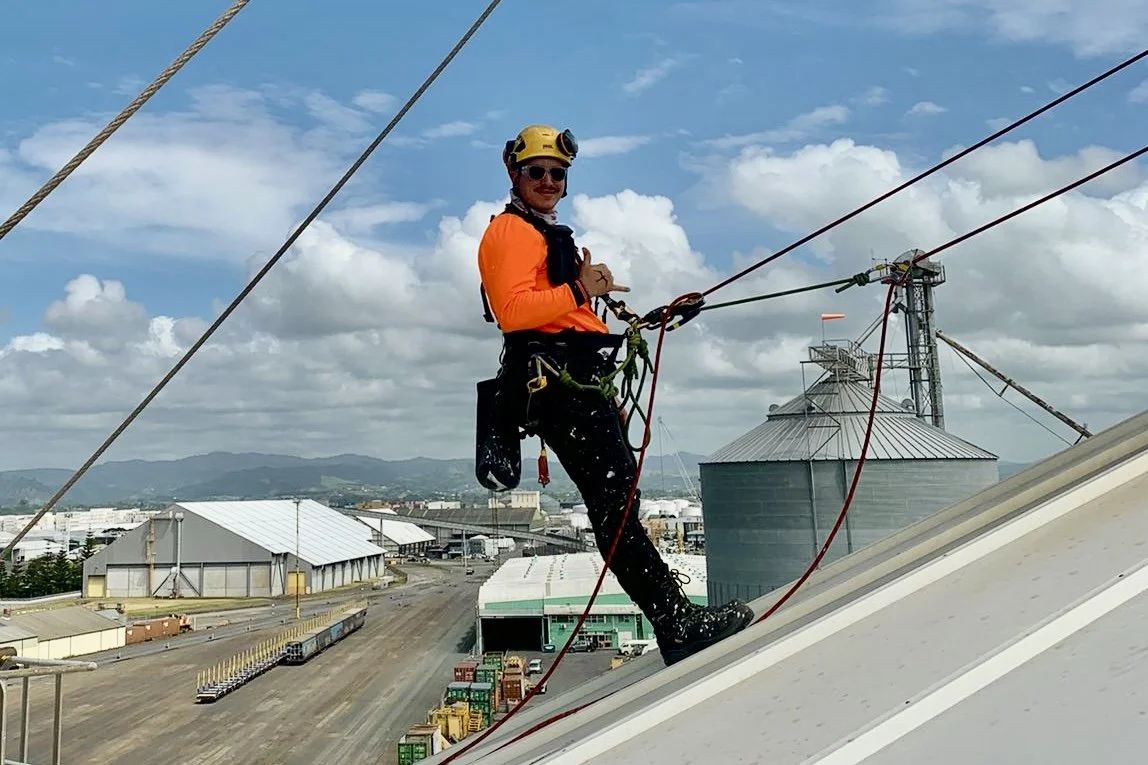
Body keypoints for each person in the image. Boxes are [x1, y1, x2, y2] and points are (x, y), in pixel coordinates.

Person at [474, 124, 755, 666]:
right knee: (616, 504)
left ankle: (675, 618)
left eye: (558, 174)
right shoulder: (509, 233)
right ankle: (676, 622)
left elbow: (561, 311)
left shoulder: (543, 233)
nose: (550, 181)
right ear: (515, 174)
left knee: (619, 497)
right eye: (538, 172)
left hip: (572, 377)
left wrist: (607, 304)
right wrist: (583, 289)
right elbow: (513, 313)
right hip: (559, 382)